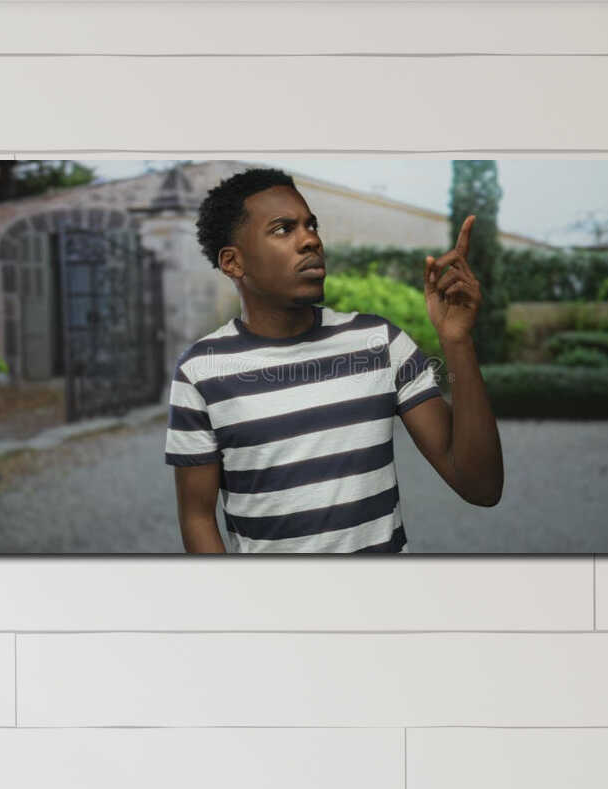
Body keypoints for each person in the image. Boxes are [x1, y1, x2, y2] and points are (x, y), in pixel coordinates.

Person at [165, 167, 504, 553]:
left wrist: (457, 341)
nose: (310, 239)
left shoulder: (380, 343)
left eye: (312, 225)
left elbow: (481, 487)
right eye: (282, 229)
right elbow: (197, 517)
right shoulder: (201, 371)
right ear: (233, 263)